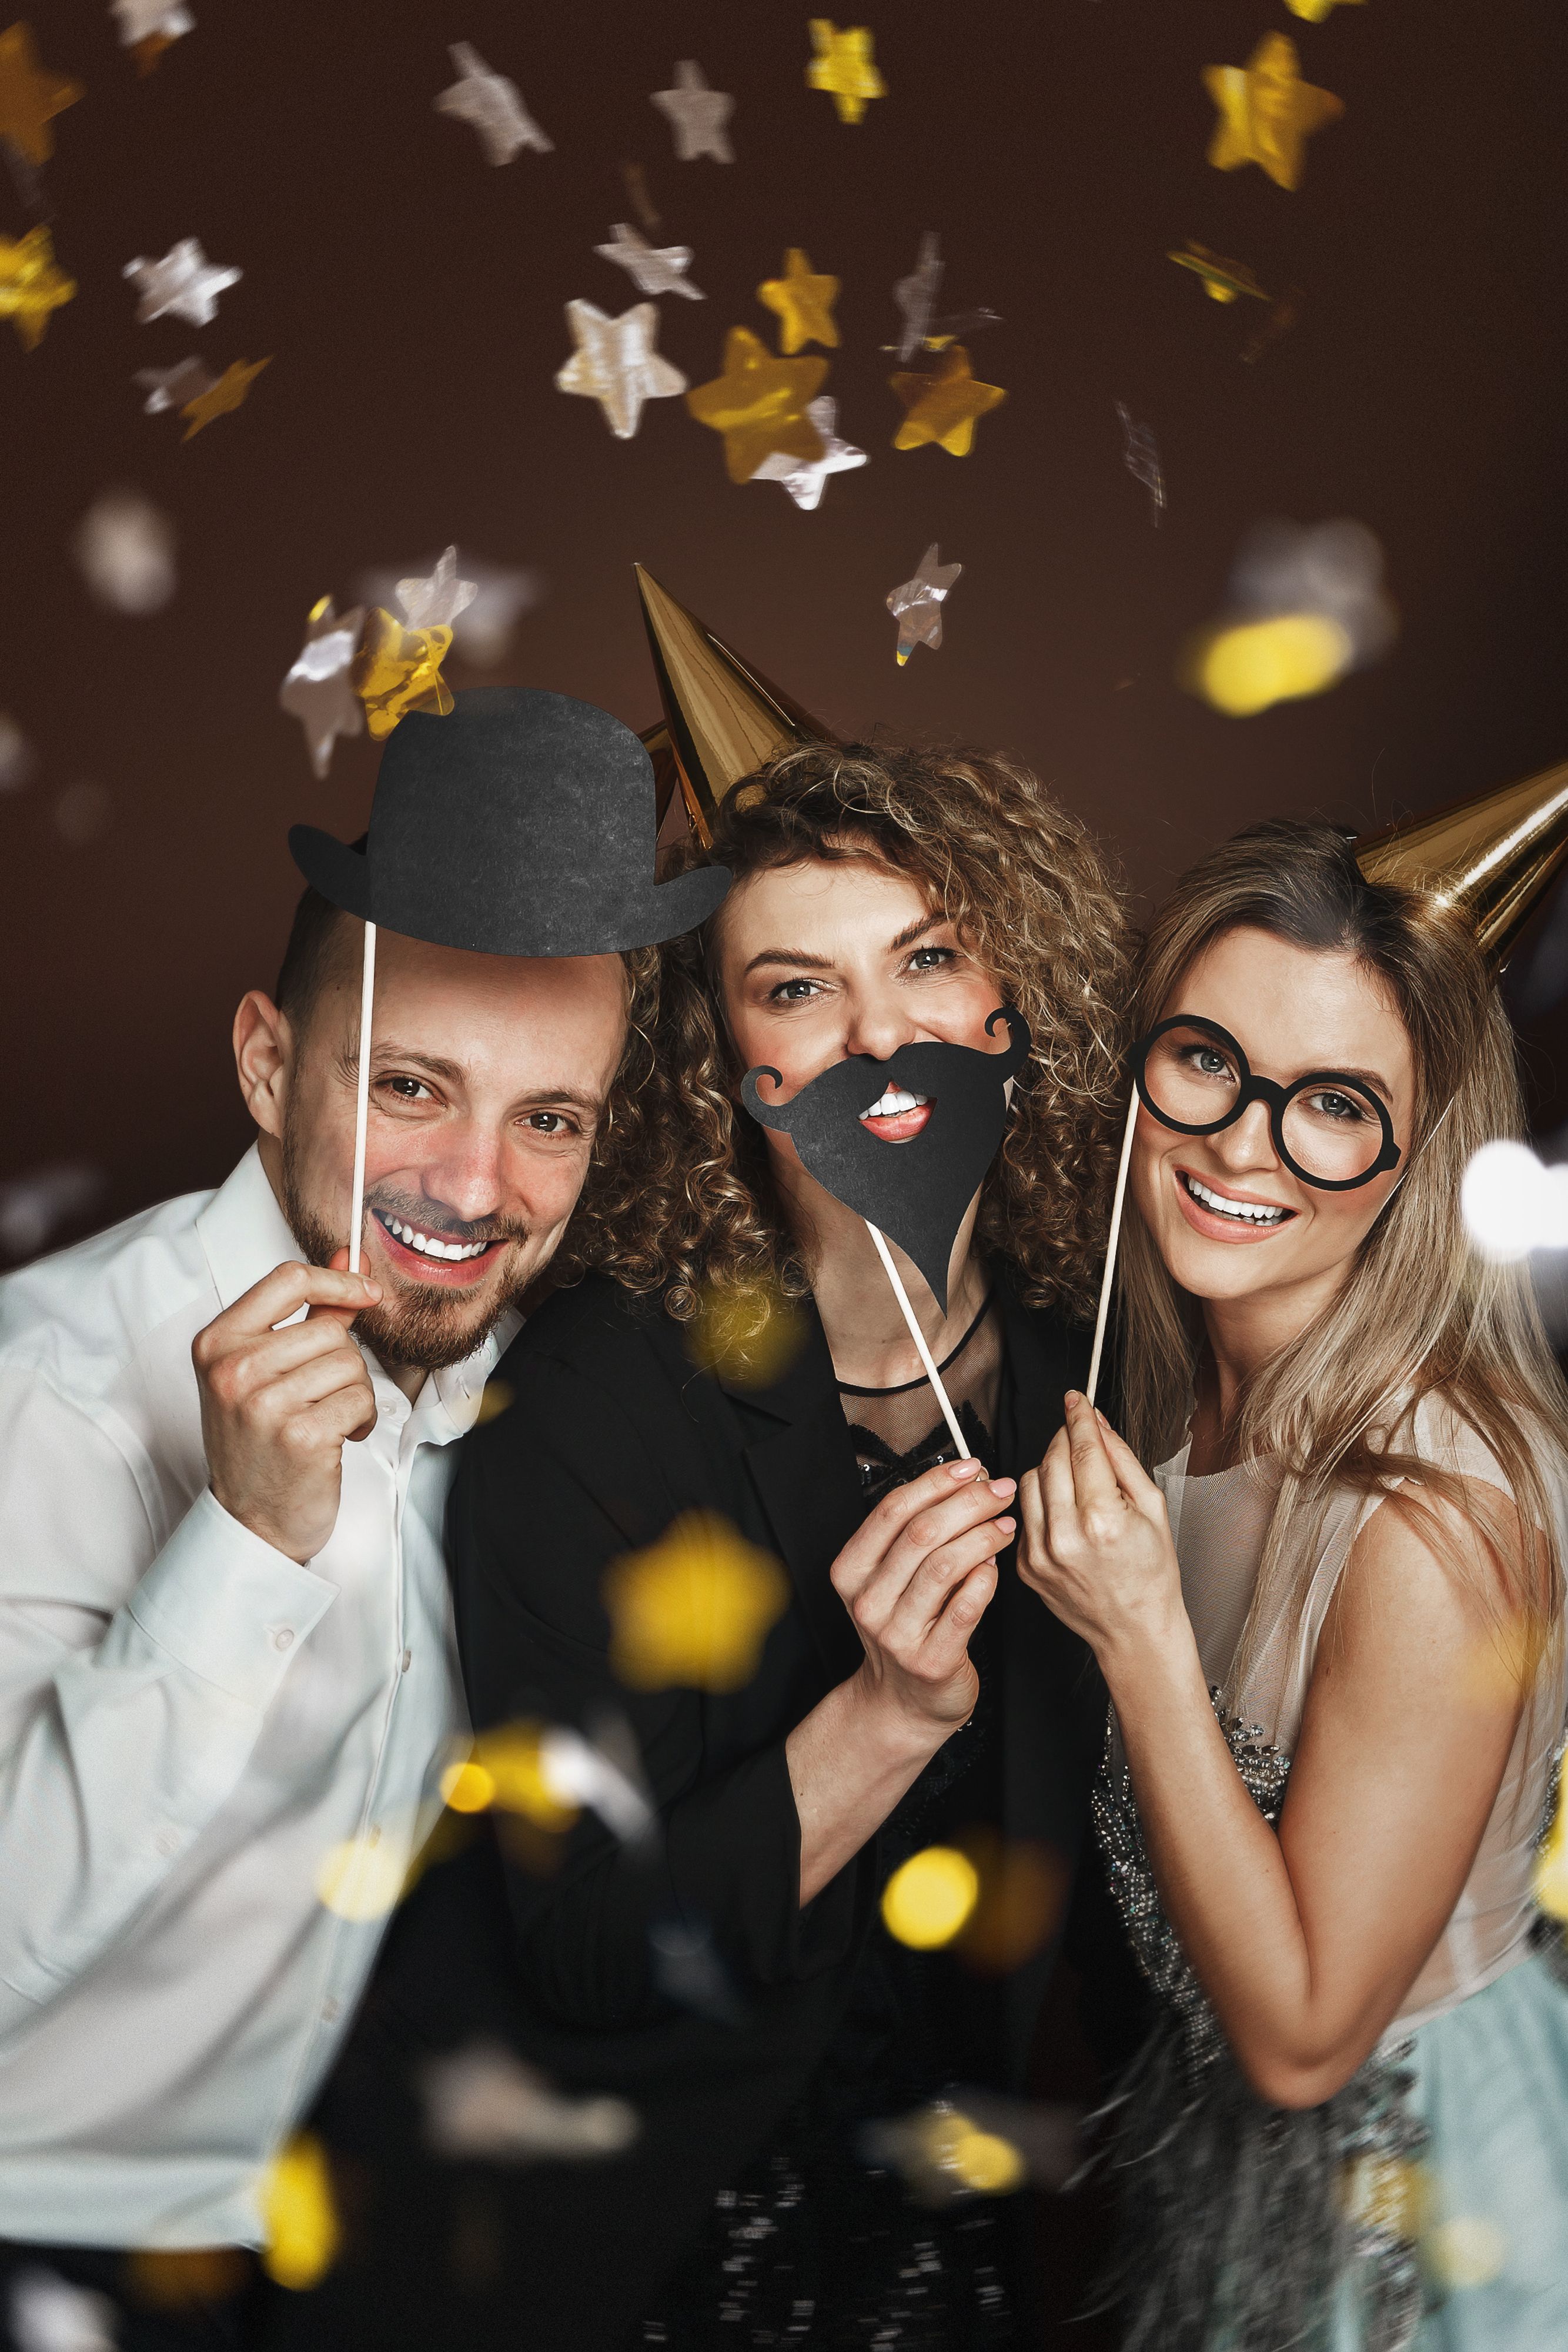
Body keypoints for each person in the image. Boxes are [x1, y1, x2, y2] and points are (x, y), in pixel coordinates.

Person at [367, 737, 1131, 2352]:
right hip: (662, 2240)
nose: (878, 1035)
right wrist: (882, 1720)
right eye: (796, 990)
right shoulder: (595, 1398)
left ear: (1009, 1009)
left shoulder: (1103, 1364)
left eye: (926, 958)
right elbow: (584, 1946)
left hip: (967, 2214)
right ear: (724, 1060)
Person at [0, 687, 727, 2350]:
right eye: (410, 1086)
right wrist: (239, 1552)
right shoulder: (46, 1389)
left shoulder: (549, 1410)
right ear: (266, 1062)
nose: (474, 1190)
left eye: (549, 1119)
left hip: (332, 2258)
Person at [1015, 815, 1568, 2349]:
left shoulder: (1436, 1515)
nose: (1241, 1142)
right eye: (1204, 1059)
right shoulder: (1168, 1389)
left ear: (1412, 1160)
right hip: (1210, 2188)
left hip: (1421, 2215)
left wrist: (1135, 1638)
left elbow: (1309, 2039)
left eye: (1329, 1104)